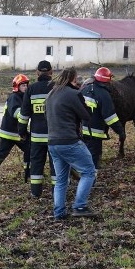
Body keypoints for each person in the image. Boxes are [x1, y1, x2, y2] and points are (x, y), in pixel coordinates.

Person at [46, 68, 97, 219]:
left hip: (53, 143)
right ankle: (79, 206)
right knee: (88, 171)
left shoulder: (50, 95)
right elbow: (86, 115)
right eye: (76, 80)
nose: (78, 82)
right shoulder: (74, 94)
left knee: (61, 179)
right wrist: (84, 100)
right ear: (72, 80)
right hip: (70, 141)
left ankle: (59, 212)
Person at [0, 74, 31, 184]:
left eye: (26, 85)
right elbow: (16, 113)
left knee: (30, 149)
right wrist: (28, 113)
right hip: (8, 133)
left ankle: (29, 173)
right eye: (23, 85)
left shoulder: (24, 97)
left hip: (19, 132)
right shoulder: (14, 97)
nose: (25, 88)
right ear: (17, 87)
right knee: (1, 154)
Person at [17, 60, 56, 198]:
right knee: (56, 165)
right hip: (55, 136)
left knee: (36, 165)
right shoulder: (57, 87)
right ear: (51, 72)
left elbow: (24, 115)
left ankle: (35, 193)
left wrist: (22, 132)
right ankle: (56, 193)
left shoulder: (31, 89)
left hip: (37, 136)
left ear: (37, 72)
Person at [81, 66, 124, 170]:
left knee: (83, 158)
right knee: (93, 161)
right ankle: (91, 184)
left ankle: (82, 179)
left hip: (81, 131)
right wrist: (120, 131)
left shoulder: (85, 89)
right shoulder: (104, 95)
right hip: (94, 134)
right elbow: (110, 117)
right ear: (107, 81)